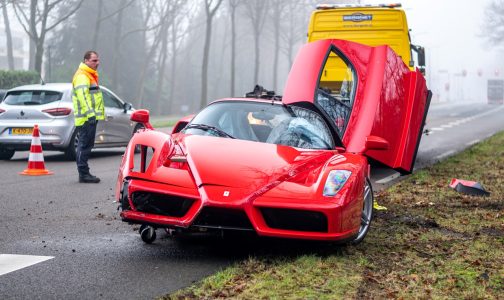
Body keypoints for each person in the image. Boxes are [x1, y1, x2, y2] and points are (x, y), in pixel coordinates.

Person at [71, 50, 105, 183]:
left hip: (89, 117)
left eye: (98, 60)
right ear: (86, 61)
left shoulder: (89, 75)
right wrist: (91, 114)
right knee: (84, 145)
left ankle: (84, 173)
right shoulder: (82, 75)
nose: (97, 63)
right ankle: (83, 174)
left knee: (86, 145)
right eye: (94, 60)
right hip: (86, 118)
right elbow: (83, 97)